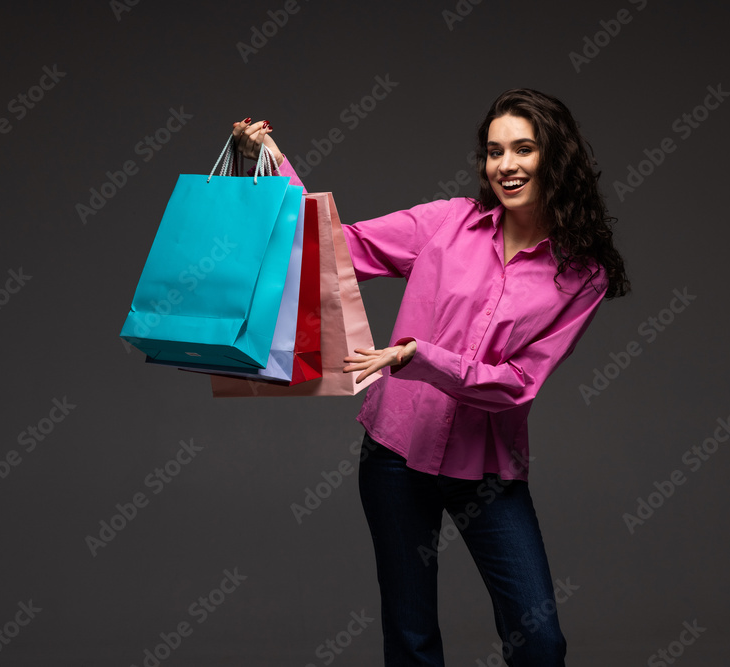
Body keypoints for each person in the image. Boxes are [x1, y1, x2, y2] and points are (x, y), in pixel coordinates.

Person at [232, 89, 629, 666]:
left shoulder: (582, 275)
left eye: (523, 149)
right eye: (495, 152)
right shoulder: (447, 222)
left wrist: (417, 356)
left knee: (540, 641)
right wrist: (271, 158)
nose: (506, 166)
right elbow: (332, 248)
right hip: (394, 453)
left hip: (486, 469)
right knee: (411, 638)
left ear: (556, 157)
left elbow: (518, 382)